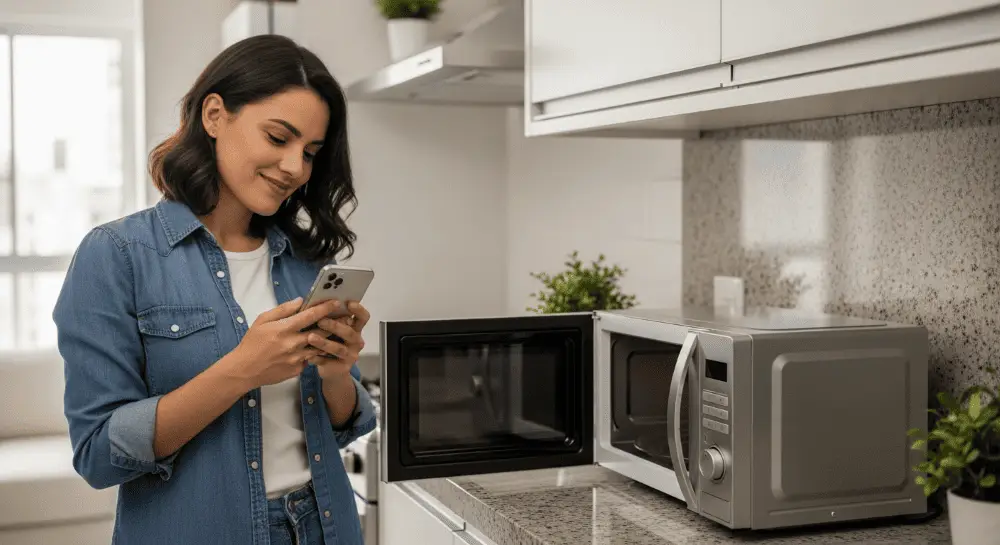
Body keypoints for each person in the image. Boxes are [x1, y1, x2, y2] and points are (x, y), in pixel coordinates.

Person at [53, 34, 375, 545]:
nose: (296, 167)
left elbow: (345, 424)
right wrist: (243, 369)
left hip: (326, 527)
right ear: (215, 116)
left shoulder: (306, 261)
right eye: (278, 138)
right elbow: (97, 454)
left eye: (310, 152)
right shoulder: (117, 255)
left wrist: (336, 372)